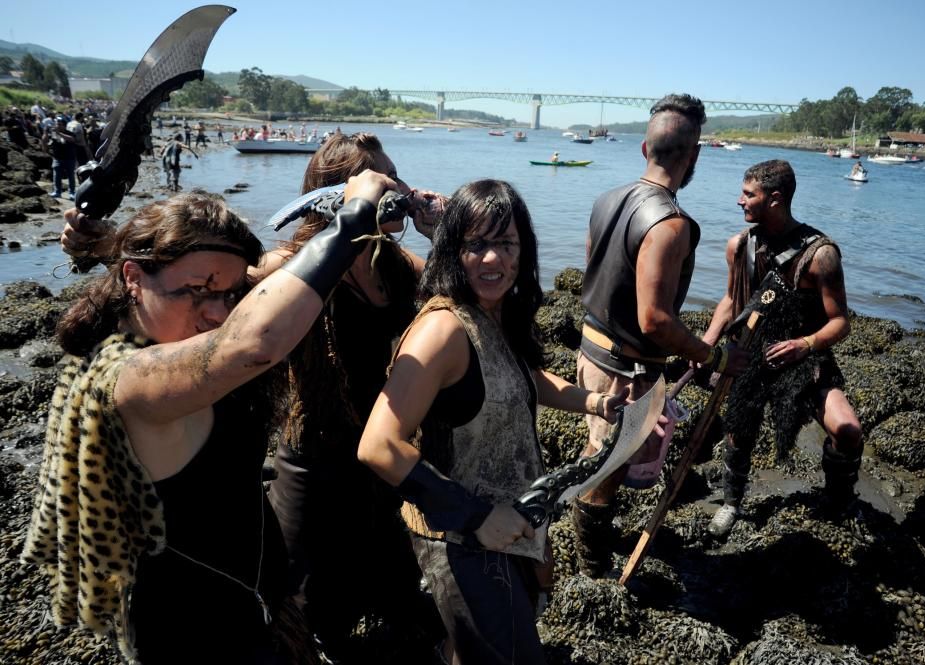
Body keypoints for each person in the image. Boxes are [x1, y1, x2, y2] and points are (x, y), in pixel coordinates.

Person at [21, 172, 397, 663]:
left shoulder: (172, 320)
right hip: (193, 632)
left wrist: (105, 242)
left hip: (259, 602)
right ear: (133, 279)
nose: (217, 313)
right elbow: (253, 342)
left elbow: (274, 288)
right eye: (198, 290)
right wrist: (353, 216)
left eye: (228, 294)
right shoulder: (128, 378)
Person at [357, 179, 629, 665]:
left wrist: (594, 402)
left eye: (505, 244)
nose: (491, 259)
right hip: (461, 544)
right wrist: (477, 517)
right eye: (475, 245)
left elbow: (521, 375)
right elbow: (378, 445)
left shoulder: (493, 313)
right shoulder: (443, 330)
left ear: (523, 251)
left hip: (510, 528)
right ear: (452, 249)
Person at [266, 131, 448, 657]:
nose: (402, 190)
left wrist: (440, 236)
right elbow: (231, 311)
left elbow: (458, 305)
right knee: (308, 606)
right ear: (343, 196)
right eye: (386, 182)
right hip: (313, 460)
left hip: (378, 449)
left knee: (393, 580)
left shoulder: (393, 263)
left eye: (399, 178)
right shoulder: (293, 266)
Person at [571, 93, 748, 578]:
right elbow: (655, 320)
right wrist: (708, 357)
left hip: (591, 348)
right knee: (609, 467)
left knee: (600, 452)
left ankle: (584, 529)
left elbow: (593, 272)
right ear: (693, 155)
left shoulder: (606, 198)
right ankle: (591, 565)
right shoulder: (670, 224)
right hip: (625, 371)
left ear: (644, 149)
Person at [701, 159, 863, 538]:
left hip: (804, 356)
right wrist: (705, 348)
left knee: (849, 430)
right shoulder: (739, 246)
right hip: (752, 354)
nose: (739, 201)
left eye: (748, 194)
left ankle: (837, 498)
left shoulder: (820, 254)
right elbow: (729, 301)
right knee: (738, 433)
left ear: (774, 199)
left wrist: (804, 345)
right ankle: (731, 504)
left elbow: (841, 322)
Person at [44, 115, 77, 200]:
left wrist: (59, 133)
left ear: (64, 125)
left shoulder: (70, 133)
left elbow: (72, 139)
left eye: (59, 124)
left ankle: (72, 193)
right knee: (57, 176)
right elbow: (49, 144)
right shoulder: (54, 134)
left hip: (69, 158)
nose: (57, 126)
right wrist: (45, 134)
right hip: (57, 158)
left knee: (71, 176)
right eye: (56, 124)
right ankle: (57, 192)